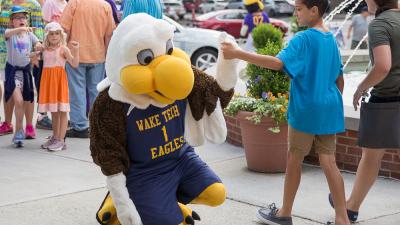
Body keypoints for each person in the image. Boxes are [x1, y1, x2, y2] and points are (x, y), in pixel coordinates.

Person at [222, 0, 350, 225]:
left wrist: (238, 54)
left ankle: (284, 213)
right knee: (329, 162)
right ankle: (342, 218)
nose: (295, 13)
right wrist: (328, 101)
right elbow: (340, 80)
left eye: (299, 9)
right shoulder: (331, 38)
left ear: (314, 10)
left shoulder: (303, 38)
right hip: (329, 108)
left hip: (306, 109)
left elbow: (277, 63)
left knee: (294, 159)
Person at [334, 0, 399, 223]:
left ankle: (351, 208)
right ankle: (351, 205)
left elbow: (382, 66)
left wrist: (361, 87)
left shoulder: (380, 24)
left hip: (386, 99)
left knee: (371, 157)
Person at [60, 0, 115, 138]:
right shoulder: (105, 6)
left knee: (76, 91)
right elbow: (109, 34)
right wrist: (107, 54)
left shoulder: (74, 3)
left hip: (75, 54)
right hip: (98, 54)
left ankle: (80, 127)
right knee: (96, 91)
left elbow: (64, 30)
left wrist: (63, 50)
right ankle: (97, 125)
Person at [0, 0, 46, 137]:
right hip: (7, 58)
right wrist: (20, 29)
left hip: (26, 61)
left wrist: (38, 48)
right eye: (18, 18)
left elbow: (38, 33)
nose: (21, 20)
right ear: (12, 20)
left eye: (23, 18)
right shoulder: (5, 3)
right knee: (10, 92)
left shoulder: (34, 5)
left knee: (28, 94)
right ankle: (9, 124)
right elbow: (6, 32)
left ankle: (28, 126)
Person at [37, 22, 79, 151]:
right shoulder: (45, 49)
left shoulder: (63, 49)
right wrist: (35, 50)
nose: (54, 36)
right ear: (47, 36)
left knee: (62, 111)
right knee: (54, 111)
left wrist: (76, 50)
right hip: (48, 82)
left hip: (59, 82)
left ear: (61, 35)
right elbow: (36, 52)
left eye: (57, 33)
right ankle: (55, 137)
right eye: (51, 34)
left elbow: (74, 63)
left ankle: (61, 140)